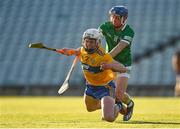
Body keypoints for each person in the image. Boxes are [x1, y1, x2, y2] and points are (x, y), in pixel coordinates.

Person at [57, 28, 127, 122]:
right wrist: (70, 51)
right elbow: (79, 51)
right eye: (87, 41)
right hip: (90, 86)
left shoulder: (103, 56)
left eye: (91, 42)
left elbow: (123, 68)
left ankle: (117, 105)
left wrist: (109, 65)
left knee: (108, 118)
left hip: (106, 87)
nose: (88, 44)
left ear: (98, 42)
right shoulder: (83, 50)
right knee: (90, 108)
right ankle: (108, 106)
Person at [99, 5, 135, 121]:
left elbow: (119, 48)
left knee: (119, 93)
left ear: (124, 19)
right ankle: (114, 109)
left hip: (124, 64)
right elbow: (94, 39)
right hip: (111, 62)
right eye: (113, 17)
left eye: (117, 17)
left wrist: (104, 58)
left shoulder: (129, 31)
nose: (114, 19)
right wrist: (84, 51)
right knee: (110, 91)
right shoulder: (105, 26)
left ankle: (129, 104)